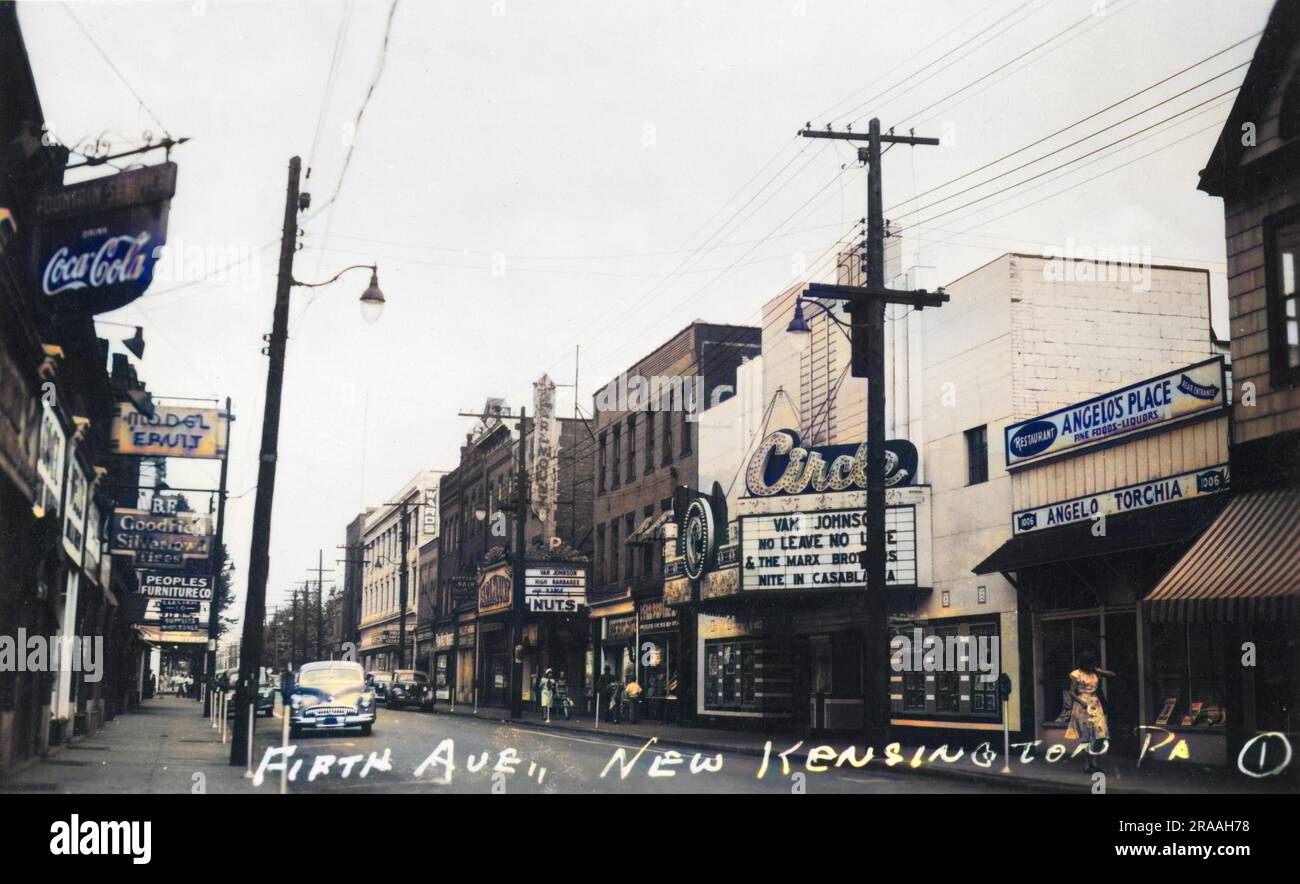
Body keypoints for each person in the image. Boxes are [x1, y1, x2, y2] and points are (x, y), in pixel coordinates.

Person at [1065, 650, 1115, 774]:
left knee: (1100, 734)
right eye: (1089, 663)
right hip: (1082, 705)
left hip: (1096, 703)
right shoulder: (1076, 674)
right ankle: (1087, 764)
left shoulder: (1095, 673)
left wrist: (1098, 670)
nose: (1090, 665)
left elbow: (1113, 675)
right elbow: (1071, 692)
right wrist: (1082, 702)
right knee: (1086, 736)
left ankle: (1095, 762)